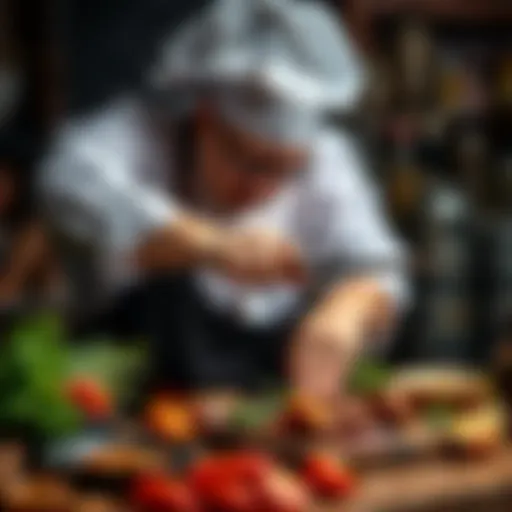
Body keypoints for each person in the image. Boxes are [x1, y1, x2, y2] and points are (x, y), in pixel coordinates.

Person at [38, 0, 408, 401]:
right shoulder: (138, 135)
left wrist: (347, 312)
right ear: (205, 118)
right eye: (247, 159)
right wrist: (213, 245)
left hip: (271, 435)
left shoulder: (325, 161)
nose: (262, 186)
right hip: (132, 431)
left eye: (284, 168)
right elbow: (64, 182)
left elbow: (379, 267)